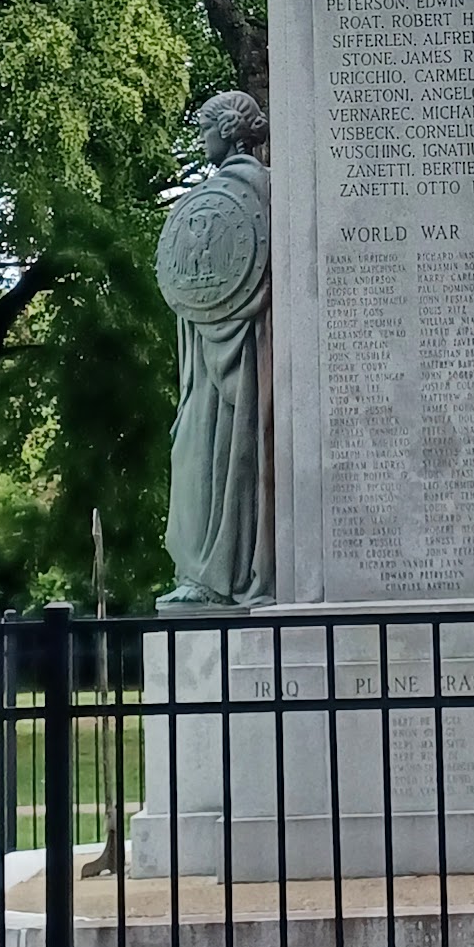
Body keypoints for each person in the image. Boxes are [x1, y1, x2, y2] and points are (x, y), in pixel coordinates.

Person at [155, 91, 274, 607]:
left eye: (206, 129)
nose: (201, 139)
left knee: (217, 451)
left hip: (238, 353)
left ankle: (214, 575)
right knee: (208, 451)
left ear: (226, 131)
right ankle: (217, 570)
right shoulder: (254, 193)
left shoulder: (249, 193)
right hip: (219, 343)